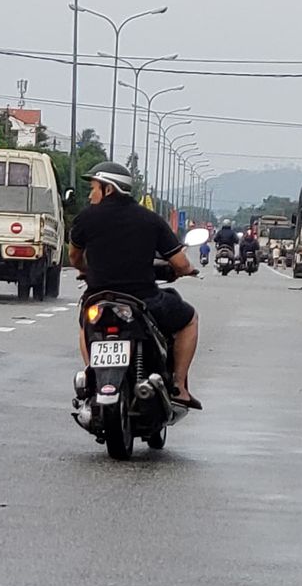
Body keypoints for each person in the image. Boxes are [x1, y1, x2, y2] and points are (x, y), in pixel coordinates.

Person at [71, 162, 203, 408]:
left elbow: (74, 257)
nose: (91, 195)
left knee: (85, 323)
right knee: (189, 318)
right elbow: (181, 263)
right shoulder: (150, 219)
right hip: (144, 301)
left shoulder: (86, 218)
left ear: (108, 189)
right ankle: (180, 387)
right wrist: (187, 271)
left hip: (98, 298)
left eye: (93, 188)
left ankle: (91, 374)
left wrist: (85, 271)